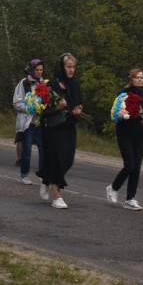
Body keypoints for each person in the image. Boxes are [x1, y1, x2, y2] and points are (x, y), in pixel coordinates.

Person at [39, 54, 84, 208]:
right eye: (68, 67)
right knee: (57, 159)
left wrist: (78, 109)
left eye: (73, 67)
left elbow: (79, 103)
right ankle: (57, 197)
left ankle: (47, 178)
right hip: (52, 127)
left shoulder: (75, 85)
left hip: (69, 126)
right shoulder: (50, 85)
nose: (71, 70)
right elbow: (41, 110)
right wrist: (57, 108)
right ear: (61, 67)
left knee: (68, 160)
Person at [106, 68, 143, 210]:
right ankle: (113, 187)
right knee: (129, 165)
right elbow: (118, 114)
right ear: (131, 79)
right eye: (137, 77)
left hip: (139, 133)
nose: (140, 80)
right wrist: (132, 114)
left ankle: (130, 198)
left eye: (142, 77)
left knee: (136, 167)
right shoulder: (123, 93)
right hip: (125, 132)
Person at [12, 59, 45, 185]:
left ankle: (42, 173)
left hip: (40, 122)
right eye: (36, 70)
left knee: (43, 149)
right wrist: (29, 107)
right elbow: (16, 103)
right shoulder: (24, 83)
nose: (39, 72)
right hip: (28, 122)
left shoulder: (44, 84)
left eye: (41, 70)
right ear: (31, 70)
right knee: (27, 150)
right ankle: (24, 174)